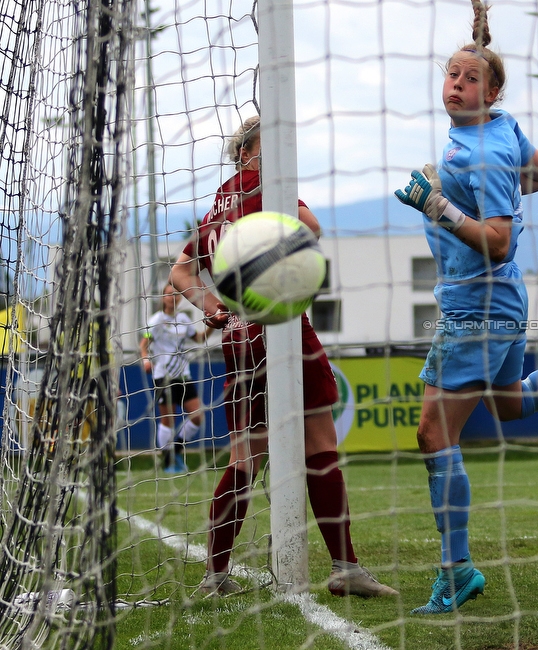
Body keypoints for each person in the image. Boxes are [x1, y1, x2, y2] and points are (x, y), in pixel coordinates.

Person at [393, 0, 538, 615]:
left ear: (492, 89)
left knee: (431, 432)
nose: (455, 85)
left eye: (469, 77)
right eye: (451, 75)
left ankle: (458, 572)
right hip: (501, 297)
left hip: (477, 302)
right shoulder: (501, 126)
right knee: (511, 404)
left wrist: (440, 208)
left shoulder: (481, 150)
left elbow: (498, 238)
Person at [170, 115, 397, 599]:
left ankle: (215, 576)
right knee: (319, 444)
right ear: (250, 149)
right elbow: (311, 228)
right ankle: (345, 568)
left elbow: (180, 272)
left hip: (238, 335)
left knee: (246, 457)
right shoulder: (266, 188)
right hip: (282, 327)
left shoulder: (217, 206)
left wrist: (215, 308)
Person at [140, 283, 210, 473]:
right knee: (168, 420)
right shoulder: (156, 321)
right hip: (164, 376)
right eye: (170, 295)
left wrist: (212, 323)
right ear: (163, 298)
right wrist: (146, 360)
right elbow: (144, 344)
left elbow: (199, 339)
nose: (173, 297)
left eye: (177, 295)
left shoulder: (183, 320)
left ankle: (175, 452)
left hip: (183, 376)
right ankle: (169, 462)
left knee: (197, 417)